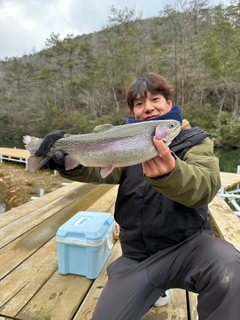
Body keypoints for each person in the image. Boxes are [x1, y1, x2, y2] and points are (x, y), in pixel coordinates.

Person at [36, 73, 240, 320]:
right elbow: (99, 171)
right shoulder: (126, 142)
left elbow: (206, 187)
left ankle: (160, 287)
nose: (148, 108)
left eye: (155, 99)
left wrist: (172, 174)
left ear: (169, 103)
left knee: (229, 265)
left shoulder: (195, 141)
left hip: (189, 247)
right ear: (133, 112)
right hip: (136, 256)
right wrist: (67, 163)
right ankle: (153, 289)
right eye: (139, 104)